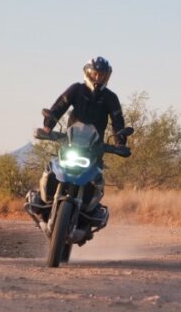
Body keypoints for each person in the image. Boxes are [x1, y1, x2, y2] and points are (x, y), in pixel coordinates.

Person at [28, 57, 127, 221]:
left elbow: (118, 121)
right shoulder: (76, 89)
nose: (98, 77)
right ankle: (42, 198)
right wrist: (48, 127)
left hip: (94, 147)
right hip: (71, 141)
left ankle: (92, 209)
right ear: (88, 72)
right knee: (54, 166)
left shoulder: (110, 97)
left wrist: (120, 143)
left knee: (96, 176)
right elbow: (59, 106)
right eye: (95, 73)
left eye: (101, 75)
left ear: (106, 76)